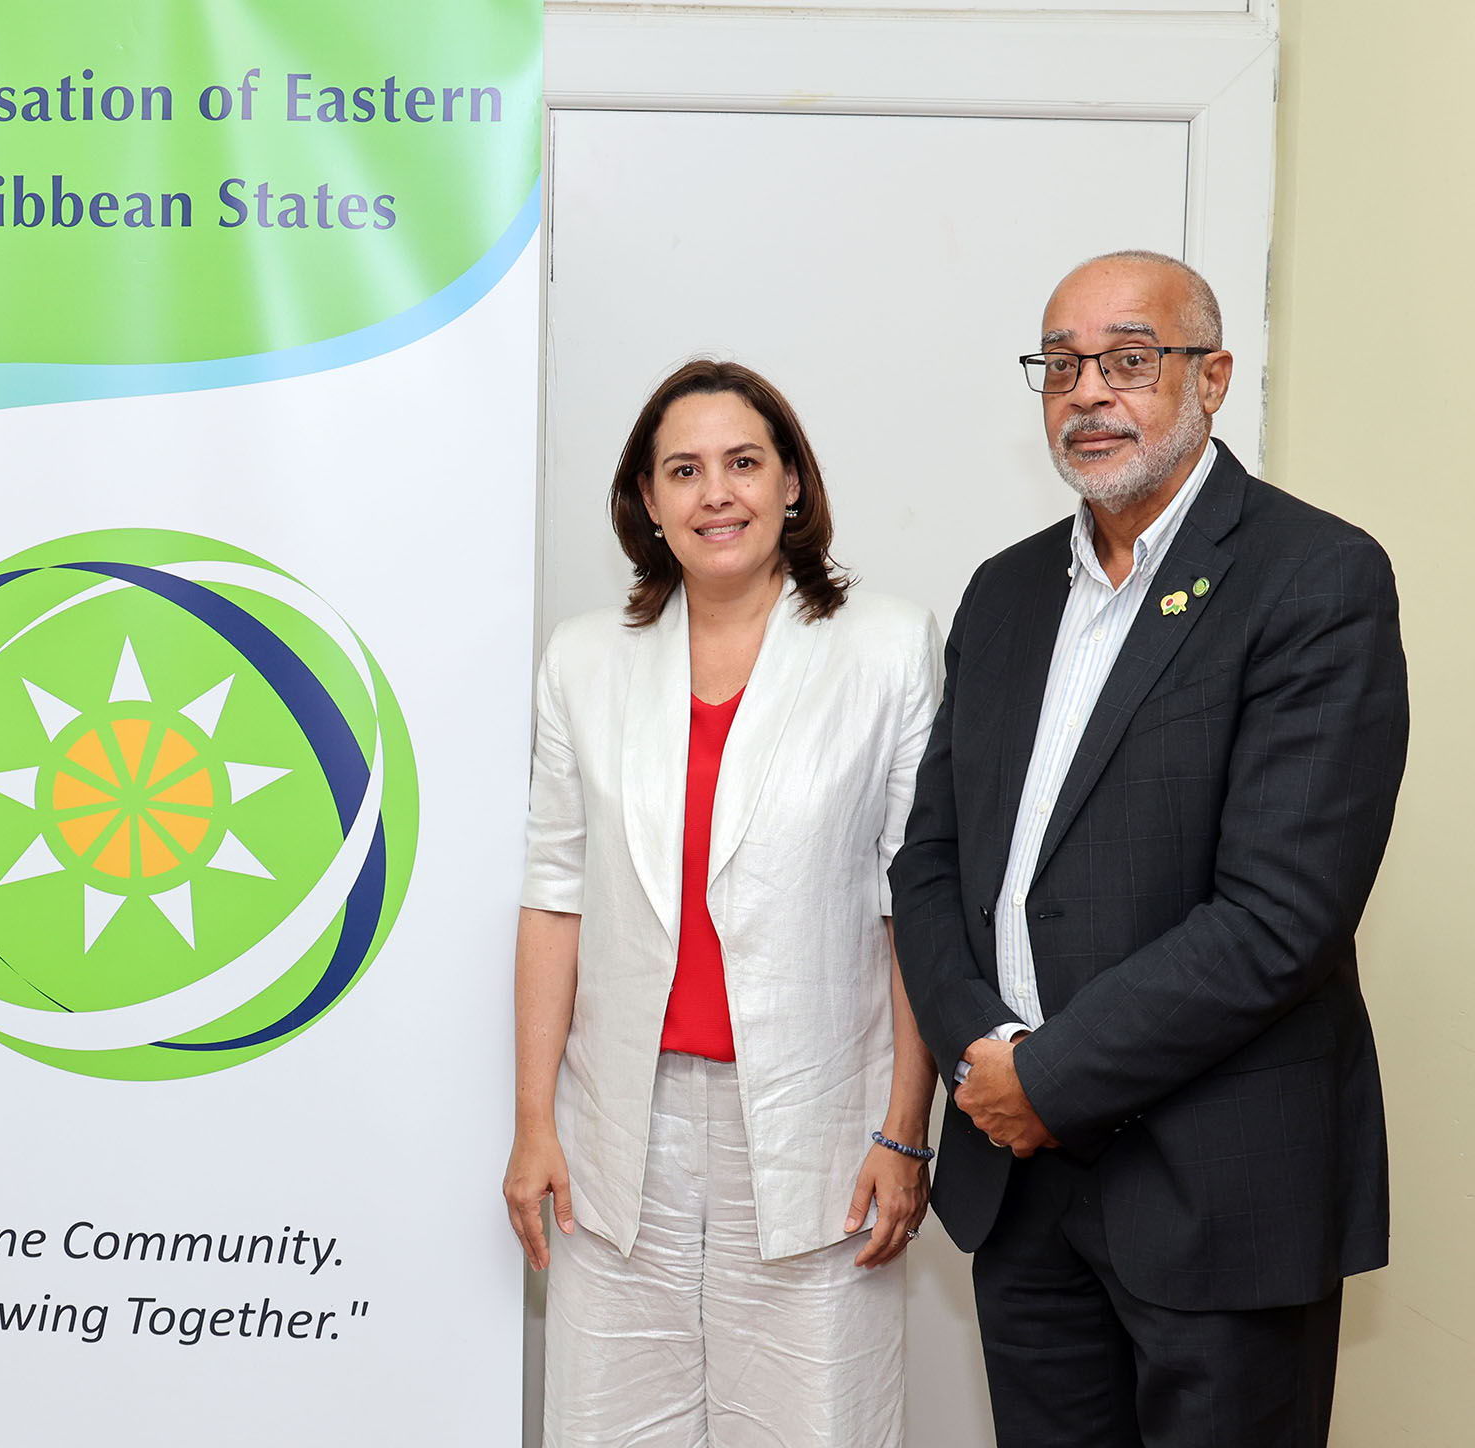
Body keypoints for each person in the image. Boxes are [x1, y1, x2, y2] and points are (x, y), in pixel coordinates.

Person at [890, 251, 1407, 1448]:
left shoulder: (1316, 579)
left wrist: (1049, 1078)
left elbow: (1280, 914)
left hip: (1218, 1183)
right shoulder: (1005, 593)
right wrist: (983, 1053)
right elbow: (931, 862)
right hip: (1022, 1184)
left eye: (1129, 359)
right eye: (1061, 364)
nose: (1089, 393)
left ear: (1212, 377)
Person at [506, 359, 942, 1446]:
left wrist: (906, 1127)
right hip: (620, 1133)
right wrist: (531, 1122)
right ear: (646, 502)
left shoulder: (886, 646)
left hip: (818, 1128)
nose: (718, 493)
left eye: (744, 462)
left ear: (792, 481)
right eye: (684, 470)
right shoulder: (584, 661)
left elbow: (916, 907)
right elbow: (554, 896)